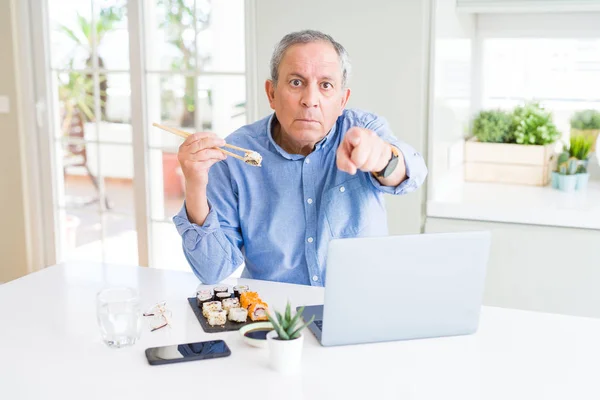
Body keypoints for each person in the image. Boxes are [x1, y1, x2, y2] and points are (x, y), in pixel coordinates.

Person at [173, 30, 427, 286]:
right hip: (272, 314)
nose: (310, 100)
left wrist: (384, 159)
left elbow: (411, 175)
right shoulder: (235, 154)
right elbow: (211, 270)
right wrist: (194, 184)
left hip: (359, 305)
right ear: (271, 93)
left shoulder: (364, 130)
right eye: (296, 82)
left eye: (325, 85)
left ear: (342, 100)